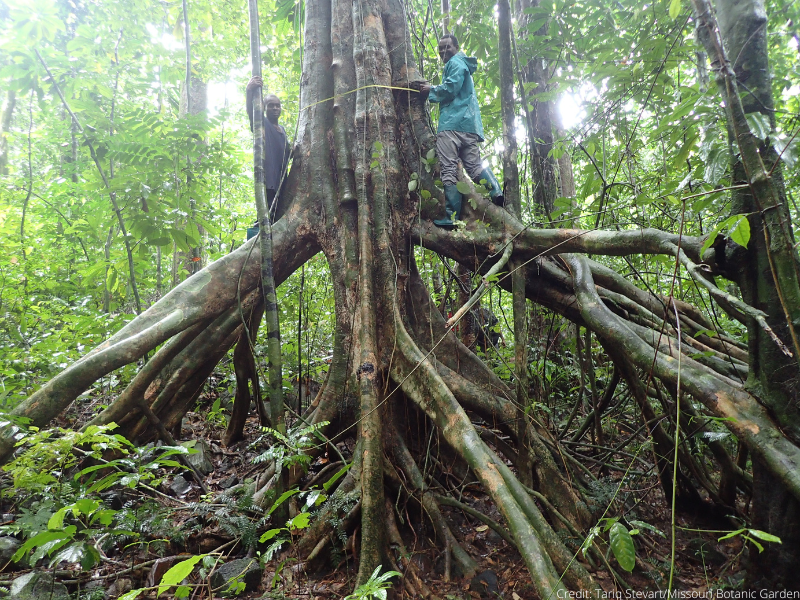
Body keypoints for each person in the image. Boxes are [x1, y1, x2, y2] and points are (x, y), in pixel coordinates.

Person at [418, 34, 504, 229]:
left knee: (448, 168)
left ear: (456, 47)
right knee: (474, 166)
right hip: (469, 126)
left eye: (447, 47)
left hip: (452, 125)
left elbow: (451, 88)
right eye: (440, 49)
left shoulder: (456, 63)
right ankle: (496, 192)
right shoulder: (463, 63)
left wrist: (430, 91)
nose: (443, 52)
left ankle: (452, 217)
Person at [245, 76, 290, 210]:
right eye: (271, 105)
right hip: (269, 182)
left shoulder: (282, 129)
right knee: (269, 214)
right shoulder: (263, 124)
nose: (275, 108)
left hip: (283, 183)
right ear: (264, 107)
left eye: (277, 105)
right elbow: (251, 113)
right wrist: (249, 91)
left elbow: (286, 152)